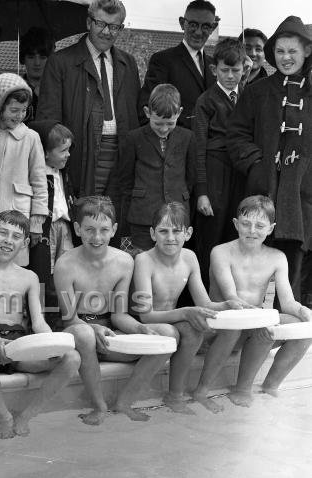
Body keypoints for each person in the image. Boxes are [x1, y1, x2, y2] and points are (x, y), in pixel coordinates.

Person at [54, 196, 177, 425]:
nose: (97, 237)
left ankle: (125, 401)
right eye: (89, 229)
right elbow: (69, 318)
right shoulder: (65, 264)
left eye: (103, 230)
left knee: (168, 334)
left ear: (114, 230)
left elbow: (119, 315)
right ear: (78, 229)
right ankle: (99, 405)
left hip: (109, 332)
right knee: (85, 334)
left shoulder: (123, 261)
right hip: (77, 332)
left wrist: (141, 328)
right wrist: (92, 328)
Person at [0, 210, 80, 438]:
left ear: (26, 242)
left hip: (18, 345)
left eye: (16, 236)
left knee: (72, 358)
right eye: (3, 233)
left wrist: (51, 345)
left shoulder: (29, 278)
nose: (8, 241)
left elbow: (38, 322)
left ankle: (27, 414)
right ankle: (4, 415)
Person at [193, 196, 312, 411]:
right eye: (246, 224)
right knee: (257, 325)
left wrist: (304, 311)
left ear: (271, 229)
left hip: (252, 324)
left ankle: (270, 384)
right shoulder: (220, 252)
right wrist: (264, 319)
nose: (252, 230)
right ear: (236, 224)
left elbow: (287, 302)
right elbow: (231, 298)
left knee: (302, 329)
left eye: (259, 225)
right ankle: (205, 388)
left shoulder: (277, 257)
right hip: (221, 327)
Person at [36, 0, 140, 241]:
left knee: (112, 226)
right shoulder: (60, 62)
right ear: (88, 22)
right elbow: (48, 120)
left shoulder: (128, 63)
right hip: (79, 157)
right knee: (83, 226)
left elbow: (136, 114)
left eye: (114, 27)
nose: (106, 32)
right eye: (101, 24)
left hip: (121, 157)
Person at [227, 16, 312, 308]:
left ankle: (290, 329)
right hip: (263, 190)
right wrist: (257, 165)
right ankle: (253, 328)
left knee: (297, 262)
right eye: (280, 51)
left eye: (293, 51)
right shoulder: (256, 92)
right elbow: (236, 136)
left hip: (303, 196)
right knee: (256, 259)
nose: (286, 58)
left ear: (307, 52)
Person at [133, 202, 246, 413]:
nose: (170, 237)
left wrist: (226, 305)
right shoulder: (144, 260)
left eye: (177, 231)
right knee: (193, 331)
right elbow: (145, 315)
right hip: (149, 323)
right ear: (152, 233)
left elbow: (204, 303)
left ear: (188, 233)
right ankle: (175, 395)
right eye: (163, 231)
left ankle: (202, 389)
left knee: (229, 329)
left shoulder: (190, 258)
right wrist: (186, 312)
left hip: (173, 320)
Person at [0, 72, 48, 266]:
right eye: (14, 110)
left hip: (17, 218)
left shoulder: (31, 138)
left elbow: (40, 183)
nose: (20, 115)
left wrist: (36, 223)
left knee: (14, 274)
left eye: (24, 110)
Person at [118, 83, 196, 252]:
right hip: (143, 215)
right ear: (147, 113)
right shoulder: (134, 138)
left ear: (180, 113)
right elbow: (125, 180)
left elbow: (190, 177)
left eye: (170, 123)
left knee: (173, 259)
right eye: (158, 123)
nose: (164, 129)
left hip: (177, 215)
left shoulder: (188, 137)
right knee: (141, 258)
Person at [193, 38, 246, 285]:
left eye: (235, 70)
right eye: (224, 70)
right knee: (211, 238)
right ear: (214, 69)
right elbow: (199, 148)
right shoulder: (206, 100)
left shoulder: (248, 97)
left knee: (235, 235)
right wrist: (202, 192)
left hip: (241, 174)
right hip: (214, 174)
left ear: (245, 68)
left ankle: (231, 294)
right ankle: (204, 294)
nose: (230, 76)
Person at [139, 0, 218, 129]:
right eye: (193, 24)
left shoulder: (214, 65)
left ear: (213, 28)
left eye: (205, 26)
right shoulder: (162, 60)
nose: (198, 32)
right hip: (177, 144)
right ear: (182, 23)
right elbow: (147, 107)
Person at [27, 119, 76, 322]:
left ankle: (65, 317)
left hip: (64, 227)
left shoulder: (62, 172)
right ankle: (41, 319)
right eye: (63, 150)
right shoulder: (38, 175)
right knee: (44, 272)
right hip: (46, 229)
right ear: (45, 152)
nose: (68, 154)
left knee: (65, 271)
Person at [19, 26, 55, 122]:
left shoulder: (59, 91)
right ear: (23, 58)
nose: (37, 63)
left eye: (42, 57)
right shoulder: (14, 90)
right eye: (31, 57)